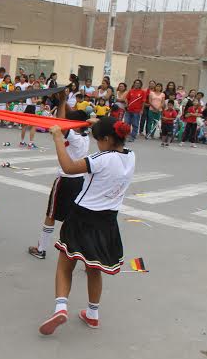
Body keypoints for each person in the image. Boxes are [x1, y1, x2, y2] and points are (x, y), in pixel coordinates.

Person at [39, 117, 135, 336]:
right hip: (108, 220)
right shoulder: (130, 156)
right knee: (94, 268)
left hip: (83, 216)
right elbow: (114, 133)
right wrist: (98, 122)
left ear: (108, 139)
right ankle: (92, 314)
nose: (97, 143)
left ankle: (60, 308)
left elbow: (69, 167)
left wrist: (56, 138)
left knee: (66, 263)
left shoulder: (101, 159)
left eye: (98, 139)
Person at [28, 100, 90, 260]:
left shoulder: (75, 138)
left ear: (76, 125)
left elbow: (59, 124)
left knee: (51, 215)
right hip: (79, 181)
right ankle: (84, 253)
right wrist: (63, 101)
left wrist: (61, 105)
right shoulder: (85, 137)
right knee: (74, 218)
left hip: (65, 181)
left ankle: (41, 249)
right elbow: (65, 119)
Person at [20, 82, 41, 149]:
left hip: (28, 108)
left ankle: (22, 142)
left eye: (38, 86)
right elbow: (33, 101)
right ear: (33, 86)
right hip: (31, 108)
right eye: (35, 86)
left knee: (24, 126)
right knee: (33, 126)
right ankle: (30, 143)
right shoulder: (33, 92)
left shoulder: (31, 92)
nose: (36, 87)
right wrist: (39, 100)